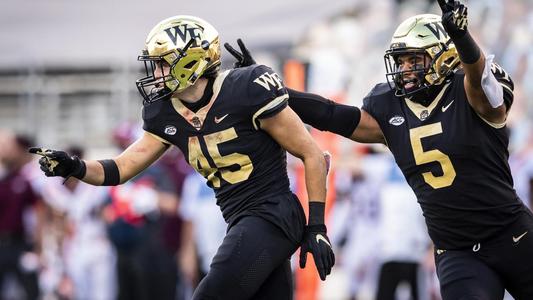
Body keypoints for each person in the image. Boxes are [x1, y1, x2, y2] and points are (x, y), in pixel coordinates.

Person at [225, 0, 533, 299]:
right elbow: (334, 115)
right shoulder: (390, 108)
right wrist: (274, 91)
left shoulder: (468, 91)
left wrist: (463, 37)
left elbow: (479, 83)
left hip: (512, 236)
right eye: (401, 61)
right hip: (457, 250)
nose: (406, 69)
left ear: (444, 59)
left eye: (415, 60)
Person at [28, 15, 334, 300]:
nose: (155, 72)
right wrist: (75, 167)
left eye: (161, 64)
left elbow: (312, 154)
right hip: (240, 219)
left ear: (189, 62)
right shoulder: (164, 112)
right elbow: (120, 168)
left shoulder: (245, 88)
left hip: (273, 214)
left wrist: (317, 228)